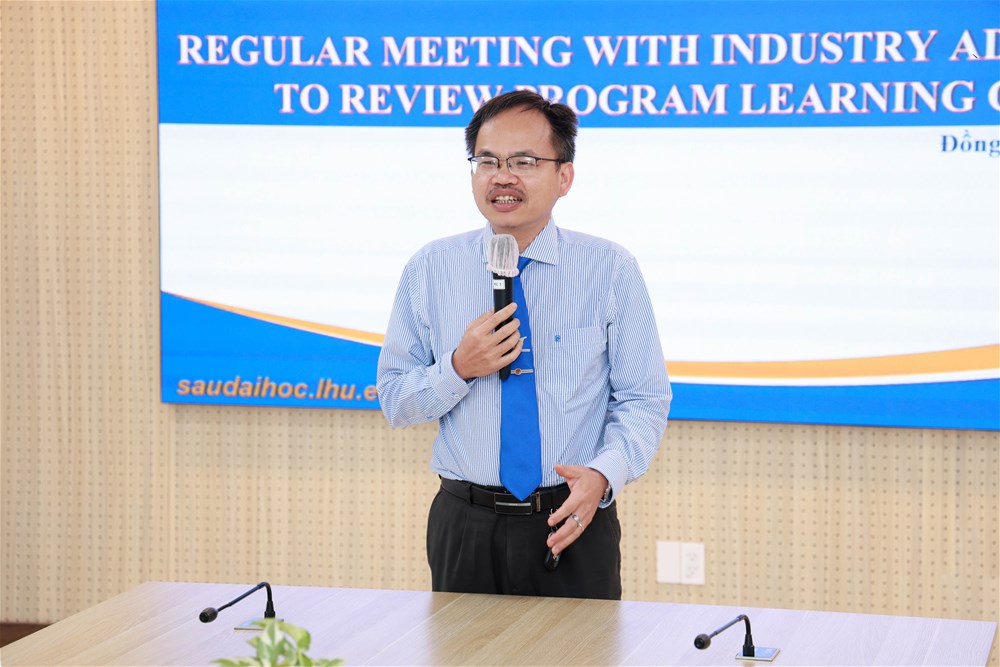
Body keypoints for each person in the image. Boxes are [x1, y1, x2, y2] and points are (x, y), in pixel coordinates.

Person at [376, 90, 670, 600]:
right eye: (487, 161)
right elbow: (395, 401)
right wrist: (458, 368)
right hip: (465, 523)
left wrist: (603, 476)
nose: (502, 176)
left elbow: (644, 399)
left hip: (572, 516)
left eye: (524, 162)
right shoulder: (430, 269)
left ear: (564, 176)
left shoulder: (609, 270)